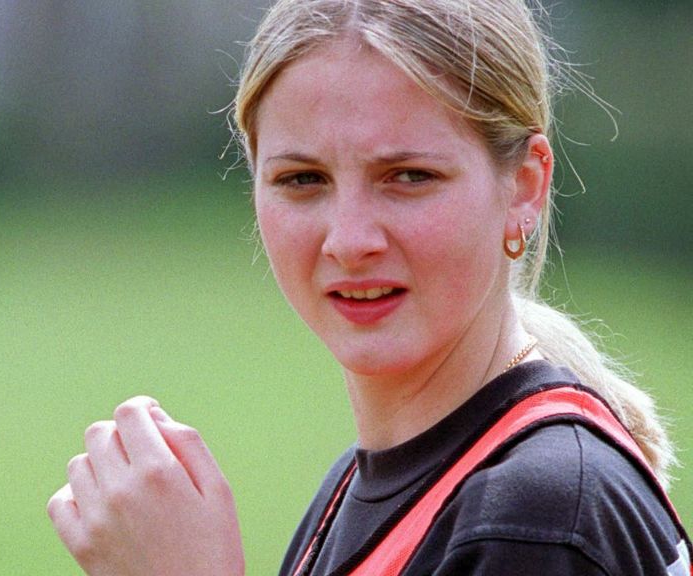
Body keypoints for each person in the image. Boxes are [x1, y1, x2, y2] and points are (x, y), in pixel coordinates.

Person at [47, 1, 692, 574]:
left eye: (409, 176)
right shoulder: (370, 486)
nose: (349, 240)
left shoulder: (539, 519)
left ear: (524, 186)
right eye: (302, 180)